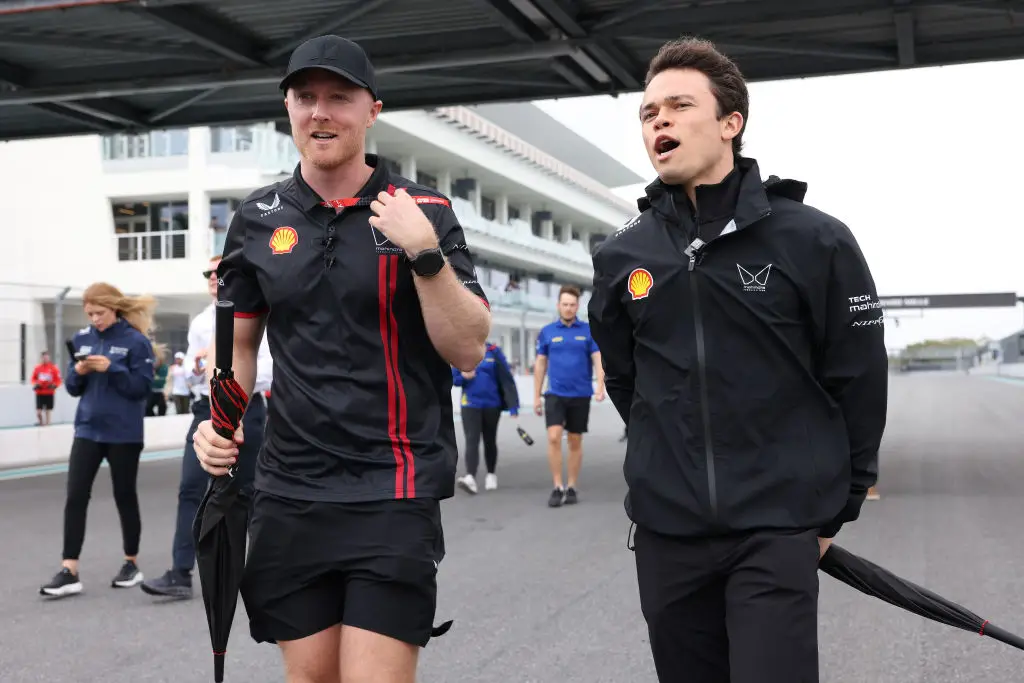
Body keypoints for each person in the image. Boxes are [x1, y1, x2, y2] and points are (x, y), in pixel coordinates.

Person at [191, 34, 490, 683]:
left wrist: (425, 255)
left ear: (372, 109)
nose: (320, 112)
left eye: (338, 97)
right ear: (289, 110)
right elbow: (240, 346)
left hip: (393, 488)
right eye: (305, 98)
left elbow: (468, 346)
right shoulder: (258, 218)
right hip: (291, 491)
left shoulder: (424, 211)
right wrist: (219, 422)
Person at [587, 38, 888, 683]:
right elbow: (625, 377)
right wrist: (665, 458)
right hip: (668, 532)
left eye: (678, 105)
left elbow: (858, 376)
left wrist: (842, 502)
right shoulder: (621, 256)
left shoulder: (814, 238)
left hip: (777, 527)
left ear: (732, 123)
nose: (658, 121)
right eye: (647, 113)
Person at [141, 257, 272, 600]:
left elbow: (268, 367)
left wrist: (235, 394)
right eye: (209, 274)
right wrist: (199, 366)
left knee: (251, 492)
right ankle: (180, 573)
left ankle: (264, 571)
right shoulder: (201, 321)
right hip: (205, 409)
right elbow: (189, 373)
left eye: (221, 273)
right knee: (190, 489)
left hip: (246, 407)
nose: (214, 279)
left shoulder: (261, 311)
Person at [39, 283, 158, 598]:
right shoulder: (82, 338)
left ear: (114, 309)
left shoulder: (136, 342)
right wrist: (78, 370)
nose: (95, 319)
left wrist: (113, 367)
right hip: (88, 430)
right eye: (90, 313)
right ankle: (69, 570)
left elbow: (141, 390)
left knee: (124, 495)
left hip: (124, 433)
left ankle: (131, 562)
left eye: (100, 313)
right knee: (75, 496)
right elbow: (73, 388)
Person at [532, 284, 604, 508]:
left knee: (574, 440)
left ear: (577, 306)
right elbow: (540, 364)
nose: (568, 308)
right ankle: (557, 486)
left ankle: (571, 486)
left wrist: (600, 385)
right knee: (553, 437)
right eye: (565, 304)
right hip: (554, 393)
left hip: (580, 394)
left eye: (572, 305)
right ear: (558, 305)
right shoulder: (548, 332)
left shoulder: (588, 331)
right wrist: (536, 396)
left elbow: (598, 359)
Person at [453, 342, 519, 494]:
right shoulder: (462, 351)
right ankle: (470, 477)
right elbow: (454, 379)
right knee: (471, 439)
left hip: (492, 404)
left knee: (490, 440)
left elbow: (506, 378)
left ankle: (491, 474)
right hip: (469, 404)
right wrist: (463, 376)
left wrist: (513, 405)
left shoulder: (494, 352)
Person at [31, 350, 62, 425]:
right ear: (41, 358)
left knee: (48, 410)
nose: (45, 359)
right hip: (40, 392)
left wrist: (54, 385)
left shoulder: (53, 368)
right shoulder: (37, 368)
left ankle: (47, 424)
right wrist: (36, 384)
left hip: (49, 391)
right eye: (44, 358)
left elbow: (58, 380)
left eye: (47, 357)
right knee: (39, 412)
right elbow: (33, 378)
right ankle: (41, 422)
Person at [146, 346, 169, 416]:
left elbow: (164, 380)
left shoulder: (164, 367)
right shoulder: (149, 364)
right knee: (147, 408)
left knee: (163, 407)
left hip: (160, 391)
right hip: (151, 391)